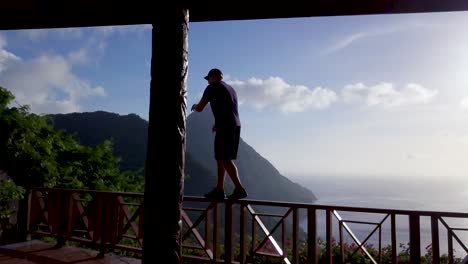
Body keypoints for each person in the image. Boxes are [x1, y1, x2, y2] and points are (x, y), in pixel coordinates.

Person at [191, 68, 248, 200]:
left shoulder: (212, 87)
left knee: (224, 158)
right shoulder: (231, 89)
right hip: (235, 125)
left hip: (225, 127)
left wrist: (194, 106)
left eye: (208, 79)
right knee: (221, 157)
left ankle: (239, 189)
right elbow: (227, 108)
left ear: (213, 77)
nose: (207, 82)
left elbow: (200, 108)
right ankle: (219, 189)